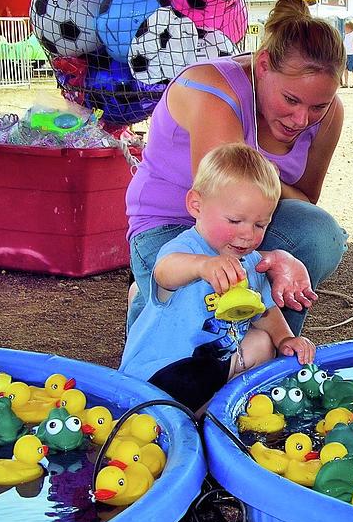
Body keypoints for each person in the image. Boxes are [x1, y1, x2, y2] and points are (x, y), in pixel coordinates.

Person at [126, 0, 348, 336]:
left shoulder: (330, 114)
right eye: (290, 100)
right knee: (205, 312)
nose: (302, 119)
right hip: (171, 227)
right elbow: (218, 210)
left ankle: (275, 353)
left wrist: (266, 178)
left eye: (318, 105)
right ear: (262, 66)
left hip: (243, 225)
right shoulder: (213, 91)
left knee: (317, 234)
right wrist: (268, 263)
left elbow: (303, 203)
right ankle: (154, 292)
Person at [120, 143, 316, 412]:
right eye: (235, 221)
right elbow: (165, 272)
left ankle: (211, 417)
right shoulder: (186, 249)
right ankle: (194, 419)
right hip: (157, 378)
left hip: (209, 370)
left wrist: (285, 339)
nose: (248, 235)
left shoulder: (250, 261)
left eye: (260, 225)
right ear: (196, 205)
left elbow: (266, 312)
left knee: (261, 342)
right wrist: (203, 266)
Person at [342, 19, 353, 88]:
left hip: (351, 54)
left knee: (352, 68)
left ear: (349, 28)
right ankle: (346, 83)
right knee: (345, 69)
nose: (344, 29)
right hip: (345, 54)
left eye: (345, 27)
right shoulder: (346, 35)